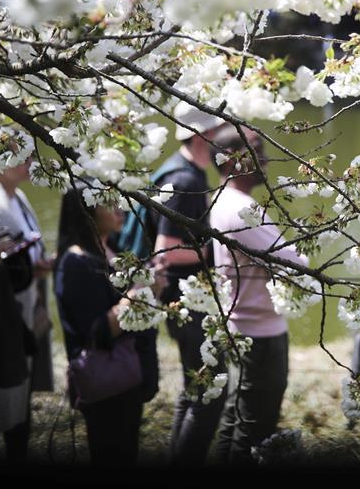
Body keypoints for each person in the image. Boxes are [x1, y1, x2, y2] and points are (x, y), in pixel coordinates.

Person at [208, 126, 308, 465]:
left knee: (237, 418)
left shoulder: (223, 199)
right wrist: (304, 257)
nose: (264, 159)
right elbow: (290, 261)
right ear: (232, 159)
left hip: (243, 326)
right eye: (256, 150)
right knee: (256, 428)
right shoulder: (241, 209)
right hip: (259, 334)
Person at [53, 185, 161, 466]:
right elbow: (98, 332)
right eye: (107, 203)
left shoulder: (110, 250)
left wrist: (152, 288)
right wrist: (141, 292)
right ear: (87, 211)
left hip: (127, 377)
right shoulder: (76, 263)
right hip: (107, 383)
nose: (119, 208)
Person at [0, 141, 54, 462]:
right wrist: (24, 265)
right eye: (22, 157)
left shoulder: (18, 196)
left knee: (22, 388)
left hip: (27, 301)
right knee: (7, 391)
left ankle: (18, 446)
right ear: (0, 163)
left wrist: (37, 263)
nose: (29, 162)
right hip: (6, 312)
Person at [151, 102, 228, 465]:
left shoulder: (179, 171)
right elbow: (165, 250)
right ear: (202, 136)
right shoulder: (184, 182)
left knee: (194, 388)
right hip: (187, 301)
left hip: (183, 299)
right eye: (214, 134)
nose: (219, 141)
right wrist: (217, 249)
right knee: (209, 393)